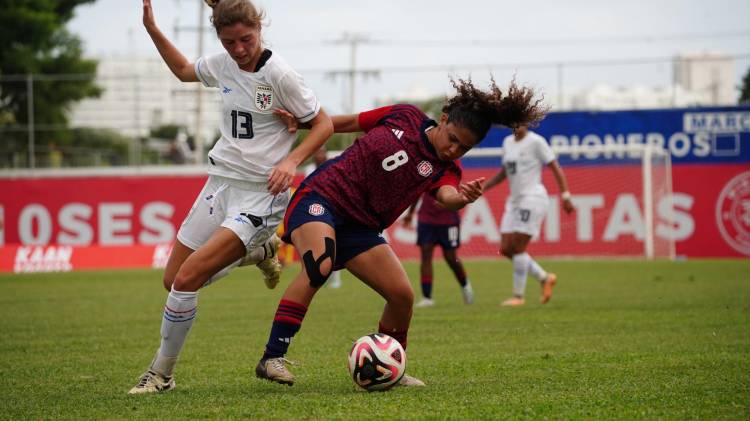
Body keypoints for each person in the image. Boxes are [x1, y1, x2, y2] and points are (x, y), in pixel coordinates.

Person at [254, 77, 547, 387]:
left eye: (464, 147)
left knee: (402, 296)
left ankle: (392, 367)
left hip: (361, 225)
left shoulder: (445, 169)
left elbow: (447, 196)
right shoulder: (405, 116)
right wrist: (302, 123)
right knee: (320, 266)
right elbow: (352, 121)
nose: (453, 149)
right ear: (443, 119)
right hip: (323, 196)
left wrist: (462, 197)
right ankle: (272, 358)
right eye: (452, 138)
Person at [129, 0, 333, 394]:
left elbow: (322, 123)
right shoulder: (222, 64)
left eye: (246, 39)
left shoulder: (281, 75)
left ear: (259, 28)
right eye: (229, 42)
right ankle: (261, 253)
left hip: (261, 196)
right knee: (173, 280)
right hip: (220, 184)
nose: (238, 49)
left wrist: (292, 161)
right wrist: (153, 29)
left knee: (187, 280)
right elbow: (185, 71)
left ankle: (161, 374)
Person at [482, 125, 574, 306]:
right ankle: (545, 278)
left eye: (521, 121)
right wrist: (483, 188)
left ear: (527, 122)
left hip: (532, 198)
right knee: (506, 249)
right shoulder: (507, 142)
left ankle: (518, 296)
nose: (518, 125)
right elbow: (504, 172)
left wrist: (565, 195)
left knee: (517, 247)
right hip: (514, 201)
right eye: (514, 121)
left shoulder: (536, 141)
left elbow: (555, 167)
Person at [402, 192, 473, 307]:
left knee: (451, 258)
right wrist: (410, 213)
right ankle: (427, 297)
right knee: (426, 255)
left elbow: (462, 195)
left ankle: (465, 286)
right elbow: (417, 192)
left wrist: (449, 203)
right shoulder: (425, 173)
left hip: (449, 220)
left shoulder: (452, 174)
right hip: (426, 219)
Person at [302, 146, 342, 288]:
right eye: (317, 152)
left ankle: (335, 278)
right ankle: (314, 276)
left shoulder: (332, 166)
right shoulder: (308, 170)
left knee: (332, 244)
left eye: (322, 152)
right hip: (311, 210)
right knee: (312, 246)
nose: (319, 155)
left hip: (331, 208)